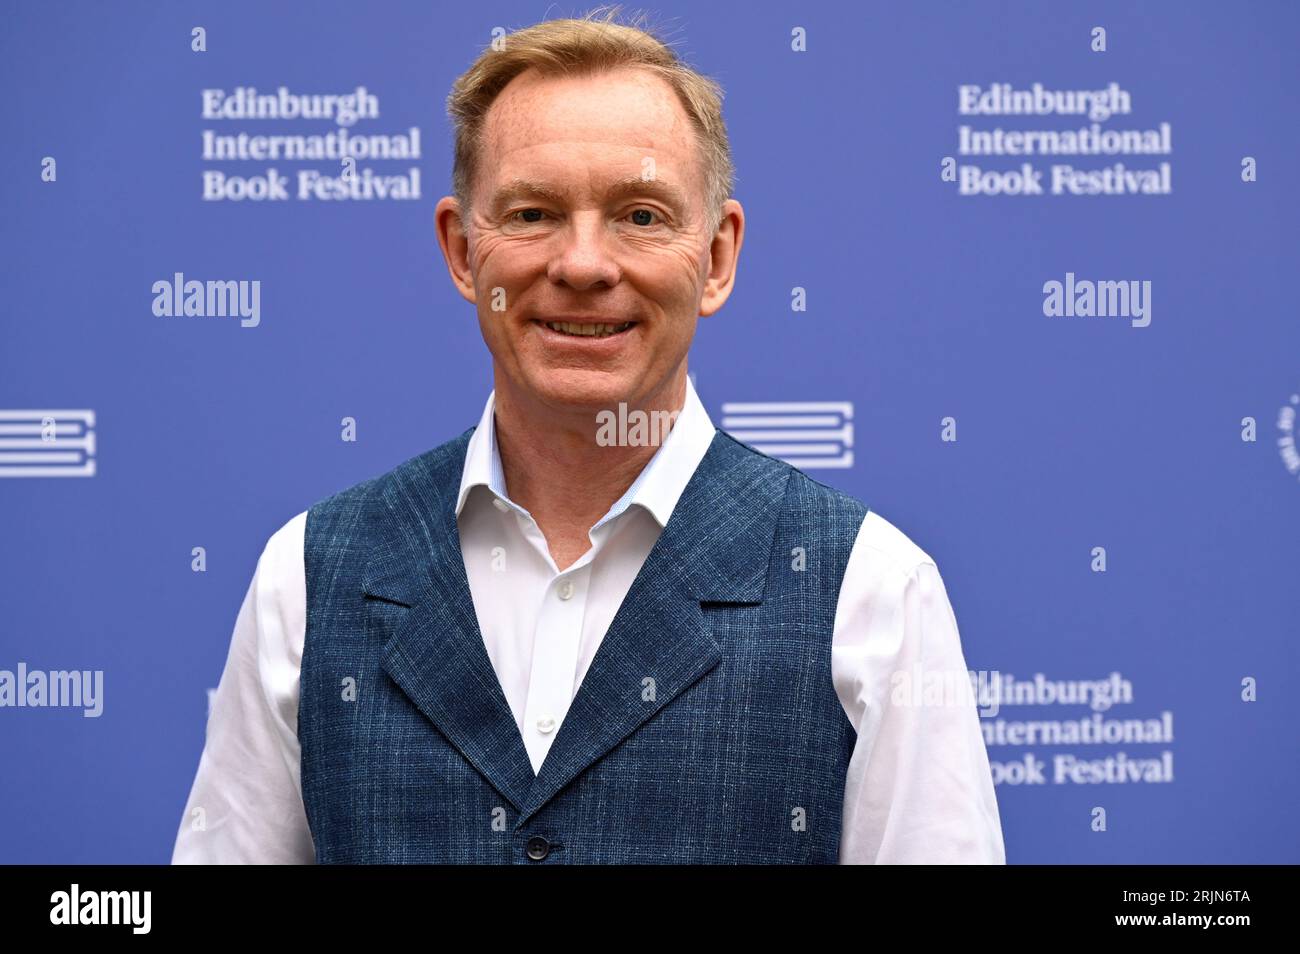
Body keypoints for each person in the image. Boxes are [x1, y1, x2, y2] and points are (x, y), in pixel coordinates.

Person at [172, 9, 1005, 864]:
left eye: (641, 216)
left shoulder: (871, 587)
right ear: (463, 252)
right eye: (531, 214)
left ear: (716, 258)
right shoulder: (309, 575)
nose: (582, 264)